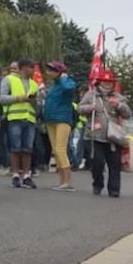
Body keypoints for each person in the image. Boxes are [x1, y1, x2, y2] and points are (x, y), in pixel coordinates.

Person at [77, 70, 131, 198]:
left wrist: (118, 105)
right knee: (97, 163)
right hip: (95, 135)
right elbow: (79, 108)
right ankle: (97, 184)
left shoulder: (119, 97)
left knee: (114, 165)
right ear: (99, 82)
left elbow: (128, 114)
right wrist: (89, 108)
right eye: (105, 82)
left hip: (114, 137)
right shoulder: (92, 95)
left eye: (110, 82)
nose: (107, 84)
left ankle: (114, 190)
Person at [0, 59, 39, 189]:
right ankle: (15, 175)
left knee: (28, 148)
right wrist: (17, 98)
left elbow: (38, 104)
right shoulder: (9, 80)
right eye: (30, 67)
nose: (32, 70)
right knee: (15, 148)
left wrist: (35, 101)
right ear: (22, 68)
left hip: (30, 119)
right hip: (15, 117)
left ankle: (26, 176)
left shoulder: (34, 84)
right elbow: (1, 98)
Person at [42, 61, 77, 191]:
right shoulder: (53, 85)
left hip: (63, 119)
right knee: (56, 151)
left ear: (59, 71)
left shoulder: (67, 82)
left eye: (51, 70)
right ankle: (62, 181)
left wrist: (63, 78)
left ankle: (68, 181)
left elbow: (69, 89)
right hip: (51, 120)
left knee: (60, 149)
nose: (48, 72)